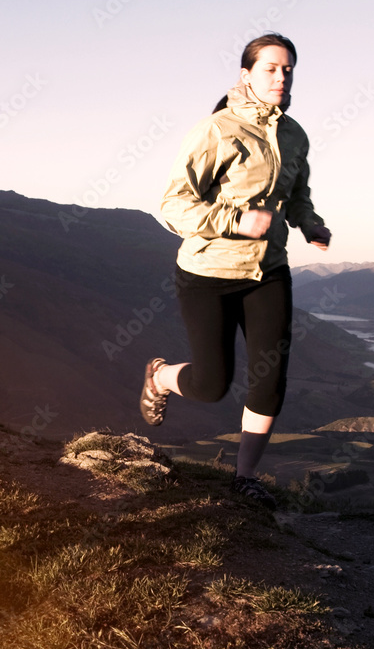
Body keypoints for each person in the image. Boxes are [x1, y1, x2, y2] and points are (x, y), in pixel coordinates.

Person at [140, 32, 331, 509]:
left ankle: (244, 478)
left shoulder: (294, 134)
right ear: (246, 74)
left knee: (271, 377)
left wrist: (310, 223)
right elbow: (173, 205)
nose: (280, 77)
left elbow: (297, 193)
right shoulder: (216, 131)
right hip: (209, 271)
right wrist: (236, 221)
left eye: (287, 69)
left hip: (268, 270)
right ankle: (161, 377)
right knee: (211, 384)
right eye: (270, 68)